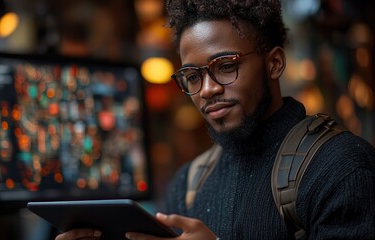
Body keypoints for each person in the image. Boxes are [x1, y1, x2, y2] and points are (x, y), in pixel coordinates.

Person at [55, 0, 375, 239]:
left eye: (225, 66)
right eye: (193, 76)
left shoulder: (341, 168)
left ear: (274, 63)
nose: (207, 89)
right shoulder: (188, 184)